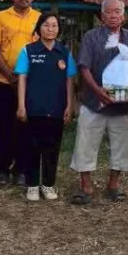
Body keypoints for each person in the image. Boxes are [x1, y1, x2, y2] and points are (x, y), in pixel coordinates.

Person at [70, 0, 128, 205]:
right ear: (102, 16)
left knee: (122, 145)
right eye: (108, 12)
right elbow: (84, 67)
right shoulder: (91, 37)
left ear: (123, 16)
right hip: (94, 100)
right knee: (85, 143)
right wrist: (97, 90)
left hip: (122, 103)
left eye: (117, 11)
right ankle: (86, 186)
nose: (113, 15)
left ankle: (113, 184)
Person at [15, 13, 77, 202]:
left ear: (59, 29)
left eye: (54, 26)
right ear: (39, 28)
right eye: (46, 25)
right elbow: (22, 78)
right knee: (32, 147)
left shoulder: (64, 52)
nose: (50, 29)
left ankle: (48, 184)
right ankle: (32, 185)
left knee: (52, 148)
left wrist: (69, 105)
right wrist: (21, 105)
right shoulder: (28, 51)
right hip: (33, 108)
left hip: (56, 108)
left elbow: (69, 80)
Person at [0, 0, 41, 187]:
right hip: (3, 81)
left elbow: (41, 49)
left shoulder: (39, 18)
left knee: (25, 127)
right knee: (3, 126)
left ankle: (21, 170)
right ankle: (2, 170)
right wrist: (10, 77)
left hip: (30, 83)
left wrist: (25, 78)